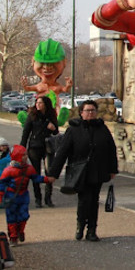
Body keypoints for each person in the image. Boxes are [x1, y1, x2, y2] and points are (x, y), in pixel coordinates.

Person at [47, 100, 118, 242]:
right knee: (84, 200)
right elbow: (62, 152)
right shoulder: (73, 130)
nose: (90, 113)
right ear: (81, 113)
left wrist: (112, 169)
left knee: (94, 201)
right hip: (80, 171)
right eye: (88, 111)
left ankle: (92, 230)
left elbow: (111, 150)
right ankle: (80, 225)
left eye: (93, 110)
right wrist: (53, 173)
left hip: (98, 170)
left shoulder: (102, 129)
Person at [0, 145, 51, 246]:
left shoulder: (29, 169)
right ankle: (13, 237)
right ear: (17, 156)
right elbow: (1, 185)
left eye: (26, 155)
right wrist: (0, 197)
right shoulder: (8, 171)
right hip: (11, 196)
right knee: (12, 218)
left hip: (23, 196)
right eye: (23, 155)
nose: (26, 157)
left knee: (23, 216)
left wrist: (46, 180)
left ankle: (20, 231)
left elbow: (35, 178)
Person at [20, 95, 59, 208]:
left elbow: (56, 132)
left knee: (49, 172)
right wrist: (23, 149)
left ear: (46, 104)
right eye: (37, 103)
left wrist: (53, 129)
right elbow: (26, 133)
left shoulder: (51, 115)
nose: (38, 105)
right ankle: (38, 198)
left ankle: (48, 198)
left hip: (48, 147)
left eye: (40, 103)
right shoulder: (32, 115)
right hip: (34, 147)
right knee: (35, 173)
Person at [20, 38, 72, 108]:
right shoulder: (39, 86)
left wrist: (68, 86)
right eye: (42, 63)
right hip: (40, 109)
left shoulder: (57, 86)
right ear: (33, 61)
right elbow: (28, 89)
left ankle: (59, 116)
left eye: (53, 63)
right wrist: (25, 86)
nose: (47, 67)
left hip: (53, 108)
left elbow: (65, 90)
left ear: (64, 62)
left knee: (56, 106)